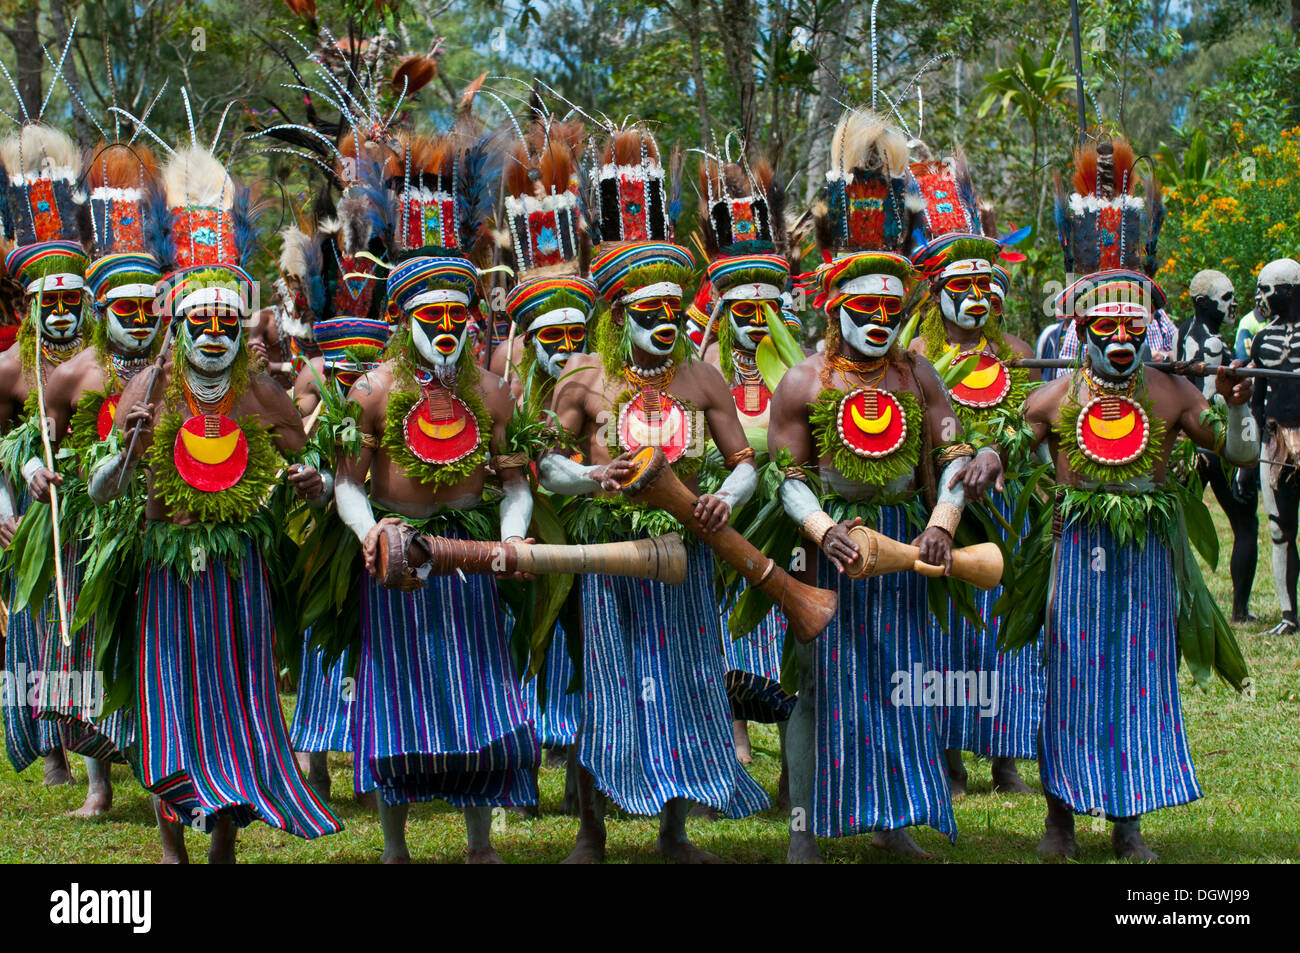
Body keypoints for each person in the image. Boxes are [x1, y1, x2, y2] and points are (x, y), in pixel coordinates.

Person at [87, 141, 340, 863]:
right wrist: (123, 454)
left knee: (236, 709)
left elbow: (310, 461)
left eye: (228, 324)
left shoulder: (262, 393)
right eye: (202, 323)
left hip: (239, 576)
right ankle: (172, 852)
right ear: (181, 323)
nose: (215, 335)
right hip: (167, 575)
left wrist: (315, 485)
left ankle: (225, 841)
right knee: (171, 709)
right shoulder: (150, 388)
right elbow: (105, 488)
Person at [538, 126, 769, 863]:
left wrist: (725, 497)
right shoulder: (584, 378)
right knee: (607, 687)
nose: (666, 323)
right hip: (610, 555)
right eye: (649, 312)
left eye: (674, 311)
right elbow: (543, 464)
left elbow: (743, 461)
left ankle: (675, 829)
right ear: (617, 315)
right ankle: (592, 829)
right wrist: (588, 476)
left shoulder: (702, 377)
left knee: (686, 682)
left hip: (688, 553)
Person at [1024, 139, 1258, 861]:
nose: (1120, 340)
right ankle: (1059, 819)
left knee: (1136, 677)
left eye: (1132, 327)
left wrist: (1238, 403)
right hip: (1076, 548)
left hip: (1149, 554)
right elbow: (1016, 435)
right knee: (1069, 675)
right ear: (1083, 330)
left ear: (1147, 328)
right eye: (1106, 328)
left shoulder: (1171, 390)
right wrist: (1039, 481)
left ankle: (1128, 822)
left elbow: (1238, 450)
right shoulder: (1059, 392)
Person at [905, 170, 1043, 795]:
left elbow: (1038, 427)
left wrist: (1004, 460)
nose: (977, 297)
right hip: (939, 507)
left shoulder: (1015, 351)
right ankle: (950, 754)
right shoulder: (914, 358)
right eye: (963, 286)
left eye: (987, 285)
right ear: (936, 293)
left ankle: (1006, 754)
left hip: (1009, 509)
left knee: (1000, 626)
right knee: (946, 628)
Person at [694, 151, 797, 767]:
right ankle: (729, 742)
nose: (755, 322)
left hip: (781, 522)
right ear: (723, 310)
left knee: (780, 636)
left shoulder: (800, 366)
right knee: (720, 634)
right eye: (743, 311)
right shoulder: (702, 368)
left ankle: (790, 764)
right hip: (715, 517)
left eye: (765, 311)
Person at [0, 122, 93, 789]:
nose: (61, 313)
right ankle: (50, 747)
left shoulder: (102, 363)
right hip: (30, 521)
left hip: (90, 512)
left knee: (82, 629)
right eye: (49, 302)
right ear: (29, 305)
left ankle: (96, 767)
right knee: (36, 632)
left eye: (71, 300)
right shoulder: (8, 368)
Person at [1171, 269, 1258, 621]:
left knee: (1178, 527)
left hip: (1188, 444)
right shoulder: (1211, 345)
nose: (1233, 303)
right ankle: (1237, 610)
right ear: (1203, 303)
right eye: (1226, 298)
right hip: (1208, 442)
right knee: (1245, 524)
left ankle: (1182, 604)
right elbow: (1207, 399)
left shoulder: (1183, 333)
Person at [1249, 257, 1300, 634]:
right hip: (1275, 444)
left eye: (1267, 289)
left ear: (1288, 291)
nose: (1262, 297)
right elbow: (1256, 401)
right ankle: (1287, 614)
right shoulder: (1263, 339)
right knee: (1280, 529)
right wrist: (1246, 460)